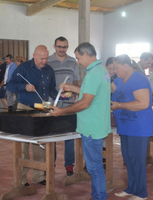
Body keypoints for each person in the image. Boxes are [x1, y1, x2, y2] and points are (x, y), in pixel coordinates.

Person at [49, 42, 111, 200]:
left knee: (94, 167)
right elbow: (91, 92)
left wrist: (62, 111)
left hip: (91, 127)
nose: (77, 62)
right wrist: (72, 87)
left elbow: (85, 103)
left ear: (85, 55)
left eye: (78, 58)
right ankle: (98, 195)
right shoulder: (102, 70)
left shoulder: (92, 74)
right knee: (95, 165)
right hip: (98, 125)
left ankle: (99, 197)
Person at [7, 45, 58, 186]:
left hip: (42, 110)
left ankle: (38, 176)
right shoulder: (23, 68)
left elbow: (51, 89)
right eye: (41, 58)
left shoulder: (49, 70)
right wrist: (25, 87)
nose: (44, 61)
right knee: (22, 146)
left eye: (46, 58)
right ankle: (22, 179)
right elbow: (10, 85)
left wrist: (61, 95)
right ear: (34, 55)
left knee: (40, 145)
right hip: (24, 109)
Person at [111, 54, 153, 200]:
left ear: (125, 66)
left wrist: (120, 105)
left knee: (137, 160)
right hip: (126, 126)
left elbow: (143, 103)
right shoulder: (120, 78)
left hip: (138, 127)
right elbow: (110, 88)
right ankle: (132, 187)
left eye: (116, 68)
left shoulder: (138, 79)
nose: (115, 71)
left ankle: (141, 193)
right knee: (128, 159)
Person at [47, 36, 79, 176]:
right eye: (59, 47)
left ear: (67, 47)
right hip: (52, 103)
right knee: (51, 135)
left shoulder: (73, 62)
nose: (62, 49)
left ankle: (69, 165)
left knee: (69, 136)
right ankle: (50, 165)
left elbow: (76, 81)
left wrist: (75, 94)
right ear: (54, 46)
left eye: (64, 47)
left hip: (69, 104)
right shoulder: (48, 61)